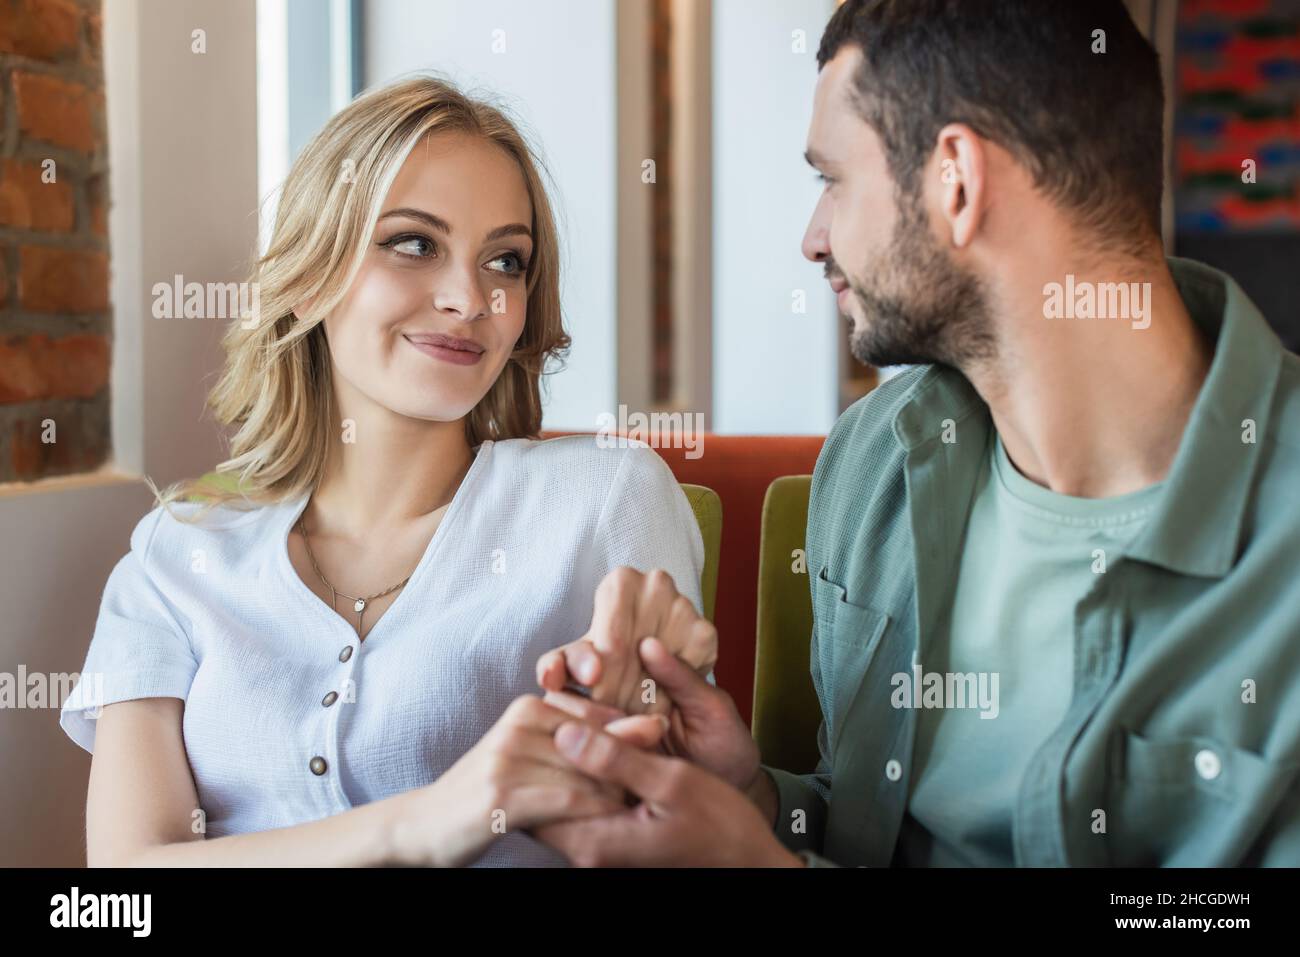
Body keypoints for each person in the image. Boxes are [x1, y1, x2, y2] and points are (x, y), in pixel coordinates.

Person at [535, 0, 1300, 867]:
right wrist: (744, 801)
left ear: (956, 182)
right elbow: (862, 829)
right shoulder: (872, 463)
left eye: (832, 179)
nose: (812, 239)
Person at [58, 75, 715, 867]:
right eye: (415, 243)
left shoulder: (606, 496)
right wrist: (424, 821)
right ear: (308, 279)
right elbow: (121, 885)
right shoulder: (177, 553)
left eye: (506, 260)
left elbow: (676, 825)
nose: (470, 298)